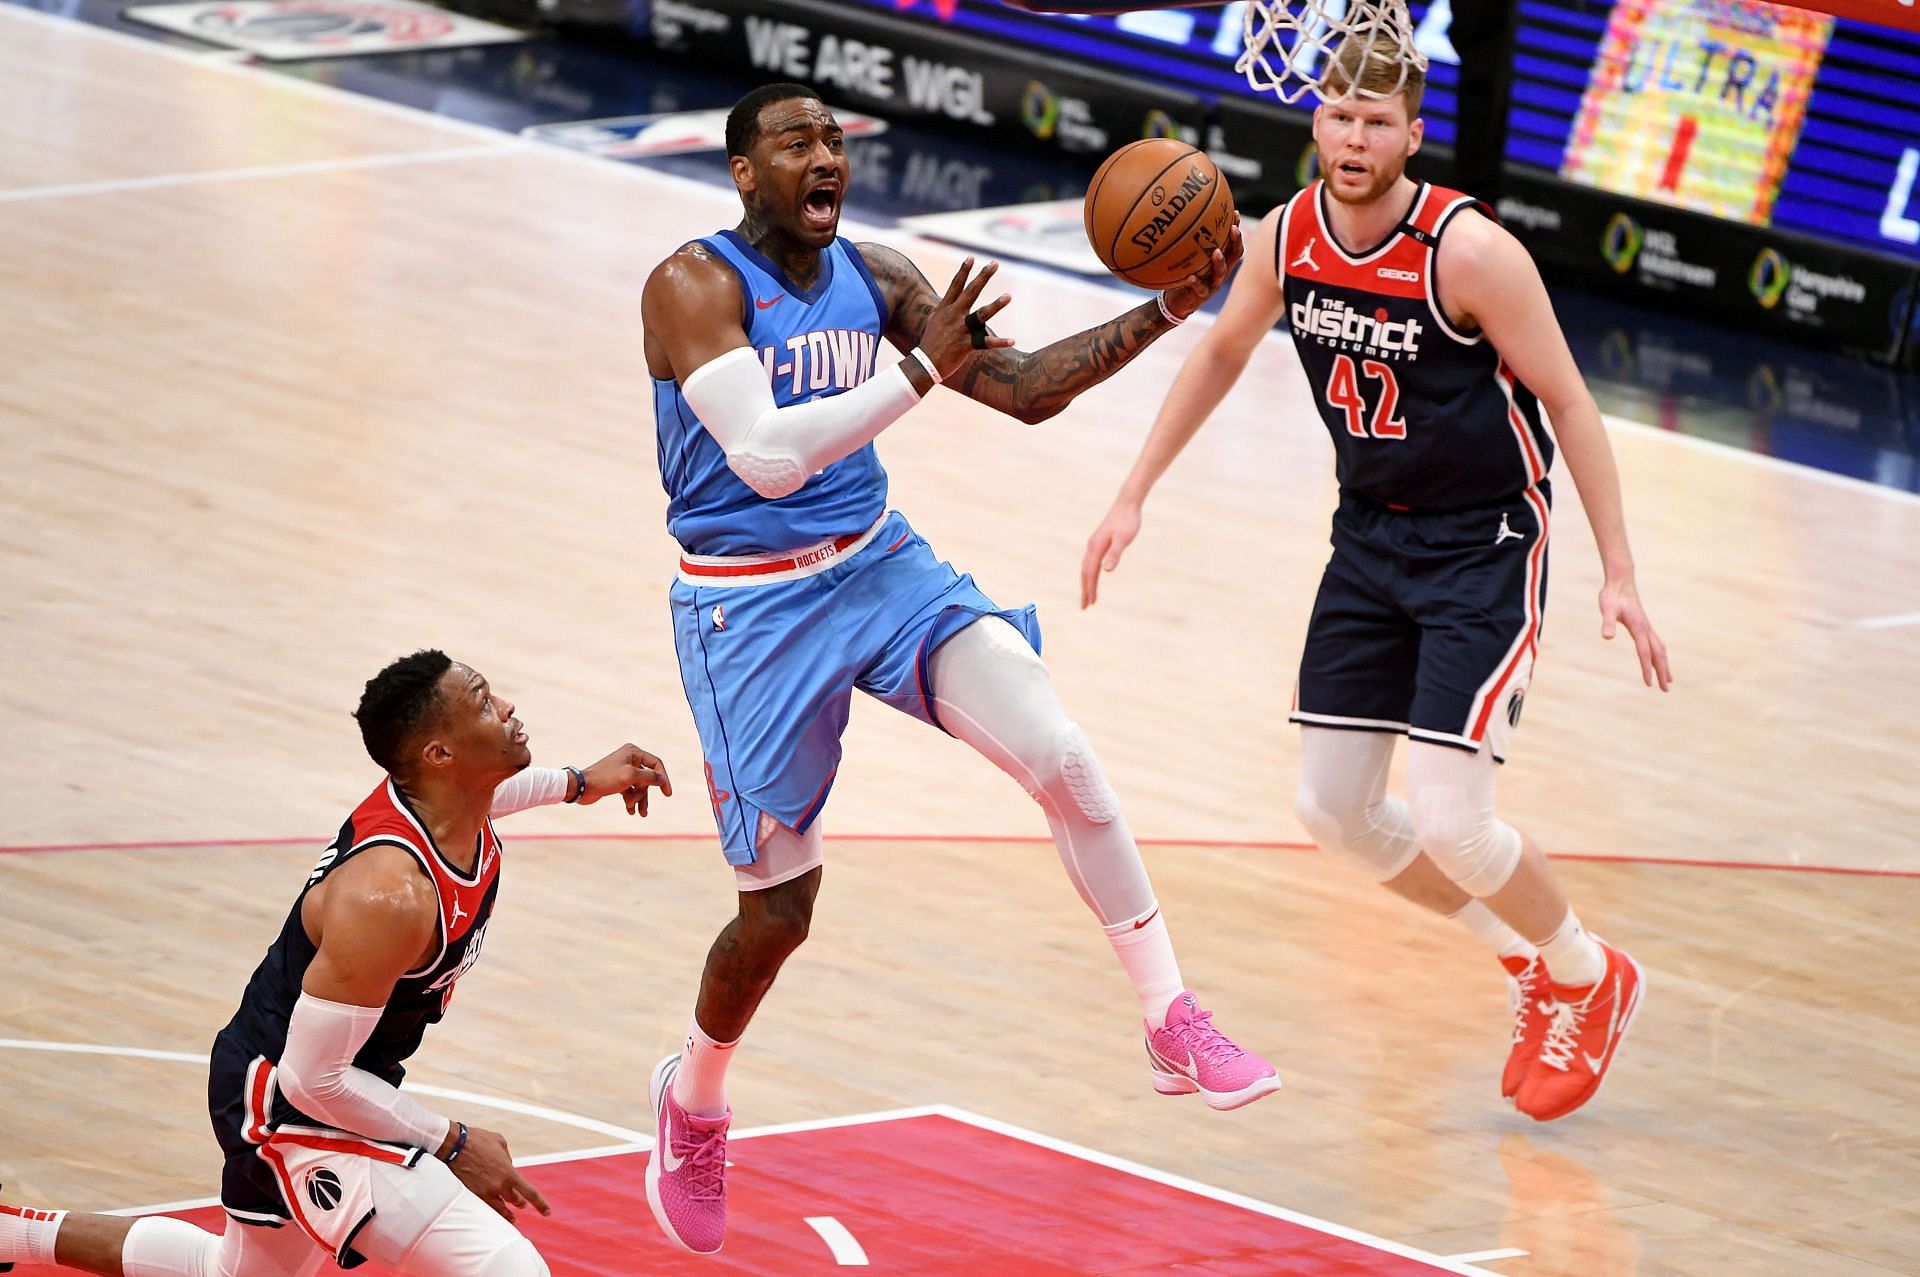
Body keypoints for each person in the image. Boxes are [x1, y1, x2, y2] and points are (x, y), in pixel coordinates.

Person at [638, 81, 1279, 1255]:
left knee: (1062, 751)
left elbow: (1025, 388)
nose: (825, 154)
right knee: (779, 916)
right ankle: (694, 1095)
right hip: (749, 611)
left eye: (835, 139)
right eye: (796, 142)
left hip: (881, 566)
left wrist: (1171, 310)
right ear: (743, 171)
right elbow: (768, 458)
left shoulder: (878, 278)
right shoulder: (694, 285)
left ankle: (1168, 1012)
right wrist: (916, 375)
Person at [1081, 39, 1671, 1123]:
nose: (1354, 139)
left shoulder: (1470, 251)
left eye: (1376, 122)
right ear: (1317, 124)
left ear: (1412, 133)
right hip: (1368, 539)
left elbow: (1573, 403)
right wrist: (1134, 491)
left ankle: (1588, 974)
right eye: (1339, 117)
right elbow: (1219, 354)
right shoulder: (1287, 236)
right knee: (1334, 808)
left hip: (1486, 541)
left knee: (1453, 817)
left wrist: (1620, 571)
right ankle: (1524, 959)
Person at [0, 651, 671, 1277]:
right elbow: (314, 1077)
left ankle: (7, 1233)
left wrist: (581, 782)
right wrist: (454, 1141)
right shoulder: (389, 894)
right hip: (288, 1100)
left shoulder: (450, 802)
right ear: (440, 752)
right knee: (508, 1268)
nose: (507, 704)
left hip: (307, 1071)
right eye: (483, 700)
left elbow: (497, 791)